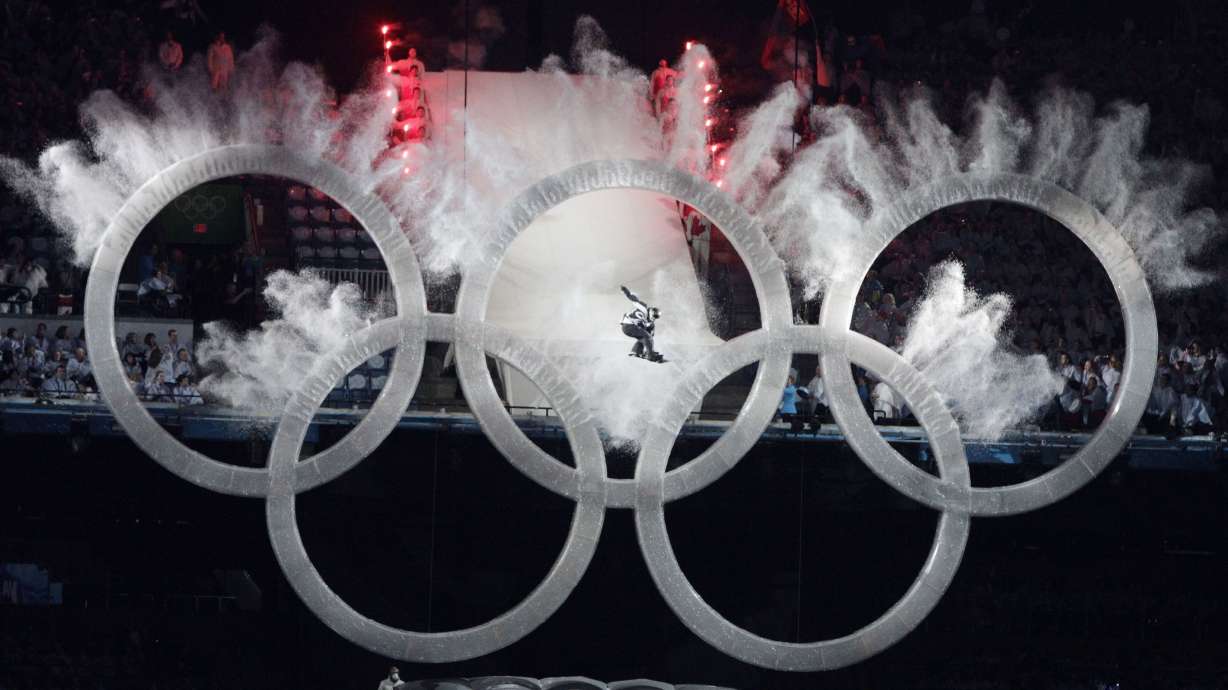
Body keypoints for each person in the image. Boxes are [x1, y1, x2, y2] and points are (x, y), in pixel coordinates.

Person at [619, 285, 664, 362]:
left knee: (645, 336)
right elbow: (634, 300)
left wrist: (650, 345)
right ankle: (650, 356)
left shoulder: (649, 321)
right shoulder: (643, 308)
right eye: (654, 316)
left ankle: (636, 351)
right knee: (647, 336)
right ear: (651, 312)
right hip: (628, 325)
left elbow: (649, 333)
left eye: (655, 317)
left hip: (629, 327)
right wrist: (626, 291)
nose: (653, 318)